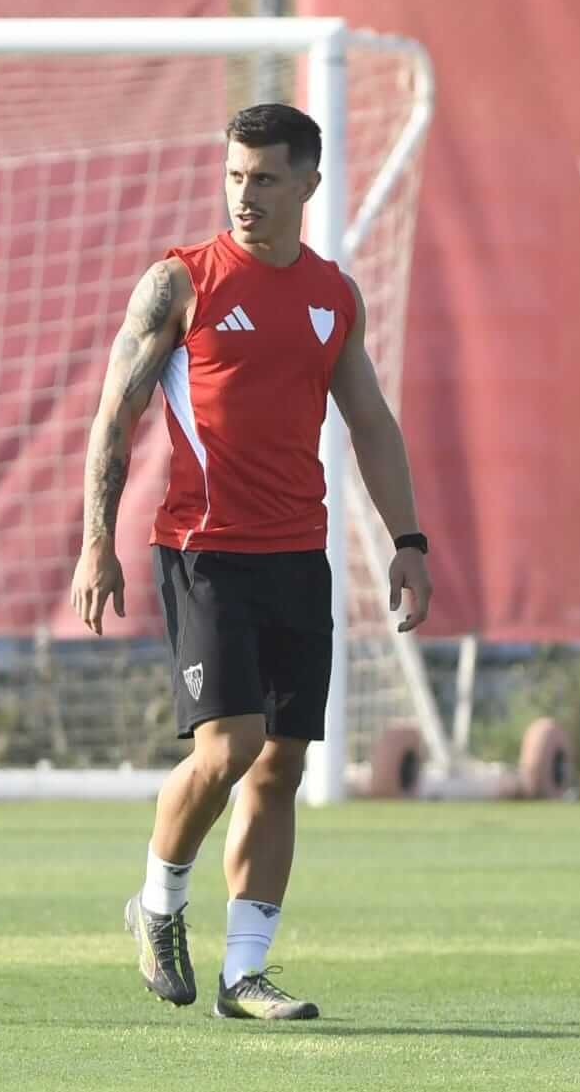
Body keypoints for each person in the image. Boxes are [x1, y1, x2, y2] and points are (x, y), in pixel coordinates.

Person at [68, 103, 431, 1021]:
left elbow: (373, 423)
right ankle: (157, 903)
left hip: (296, 558)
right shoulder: (180, 282)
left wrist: (409, 541)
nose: (245, 195)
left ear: (308, 183)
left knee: (280, 765)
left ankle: (246, 971)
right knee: (226, 749)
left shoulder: (332, 295)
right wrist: (95, 540)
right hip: (204, 552)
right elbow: (115, 415)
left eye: (265, 178)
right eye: (234, 175)